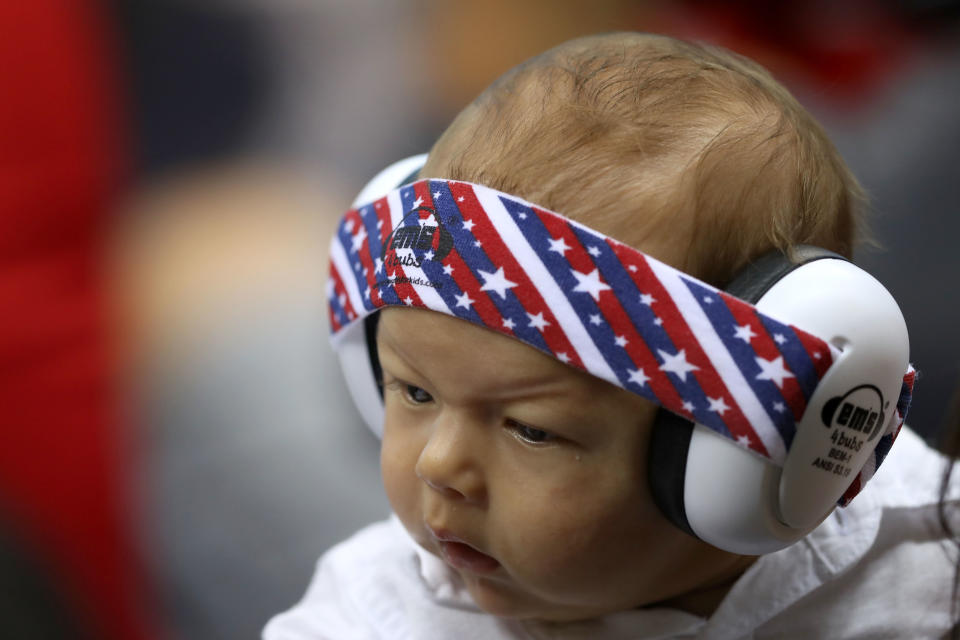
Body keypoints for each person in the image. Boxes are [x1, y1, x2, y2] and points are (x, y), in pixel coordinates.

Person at [264, 33, 958, 639]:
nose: (439, 467)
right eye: (413, 391)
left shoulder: (930, 572)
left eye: (530, 429)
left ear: (752, 452)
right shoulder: (374, 613)